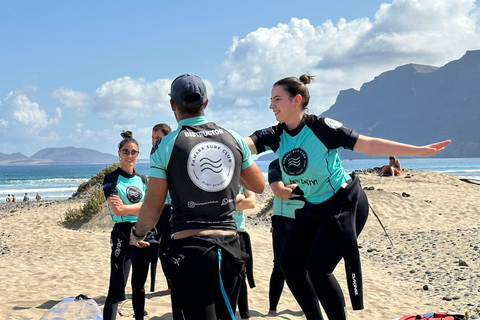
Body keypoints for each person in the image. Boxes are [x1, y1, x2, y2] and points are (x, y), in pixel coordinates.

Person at [244, 74, 450, 320]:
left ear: (296, 100)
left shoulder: (321, 127)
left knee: (318, 268)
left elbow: (369, 144)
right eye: (271, 100)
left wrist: (418, 151)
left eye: (277, 99)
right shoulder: (276, 135)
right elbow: (244, 144)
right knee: (289, 264)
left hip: (344, 202)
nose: (271, 106)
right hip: (314, 206)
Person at [130, 73, 265, 320]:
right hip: (229, 247)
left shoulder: (166, 146)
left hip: (189, 250)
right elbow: (258, 185)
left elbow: (153, 206)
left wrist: (137, 233)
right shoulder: (232, 138)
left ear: (173, 105)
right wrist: (232, 162)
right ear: (206, 103)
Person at [102, 130, 154, 320]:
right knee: (116, 288)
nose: (129, 155)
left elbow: (152, 208)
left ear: (138, 155)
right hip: (122, 236)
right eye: (125, 151)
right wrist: (143, 206)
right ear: (119, 154)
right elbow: (118, 211)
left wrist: (130, 208)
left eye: (133, 152)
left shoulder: (142, 179)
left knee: (139, 287)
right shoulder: (111, 179)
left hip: (143, 233)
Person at [267, 158, 304, 316]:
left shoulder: (309, 162)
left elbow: (315, 191)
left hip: (305, 218)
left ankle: (308, 307)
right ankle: (272, 310)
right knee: (279, 267)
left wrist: (292, 189)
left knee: (306, 266)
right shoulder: (275, 164)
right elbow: (279, 192)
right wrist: (298, 190)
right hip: (281, 221)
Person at [233, 186, 256, 320]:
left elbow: (251, 202)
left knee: (241, 276)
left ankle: (244, 315)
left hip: (238, 232)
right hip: (215, 231)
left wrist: (225, 203)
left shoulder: (242, 178)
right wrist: (239, 198)